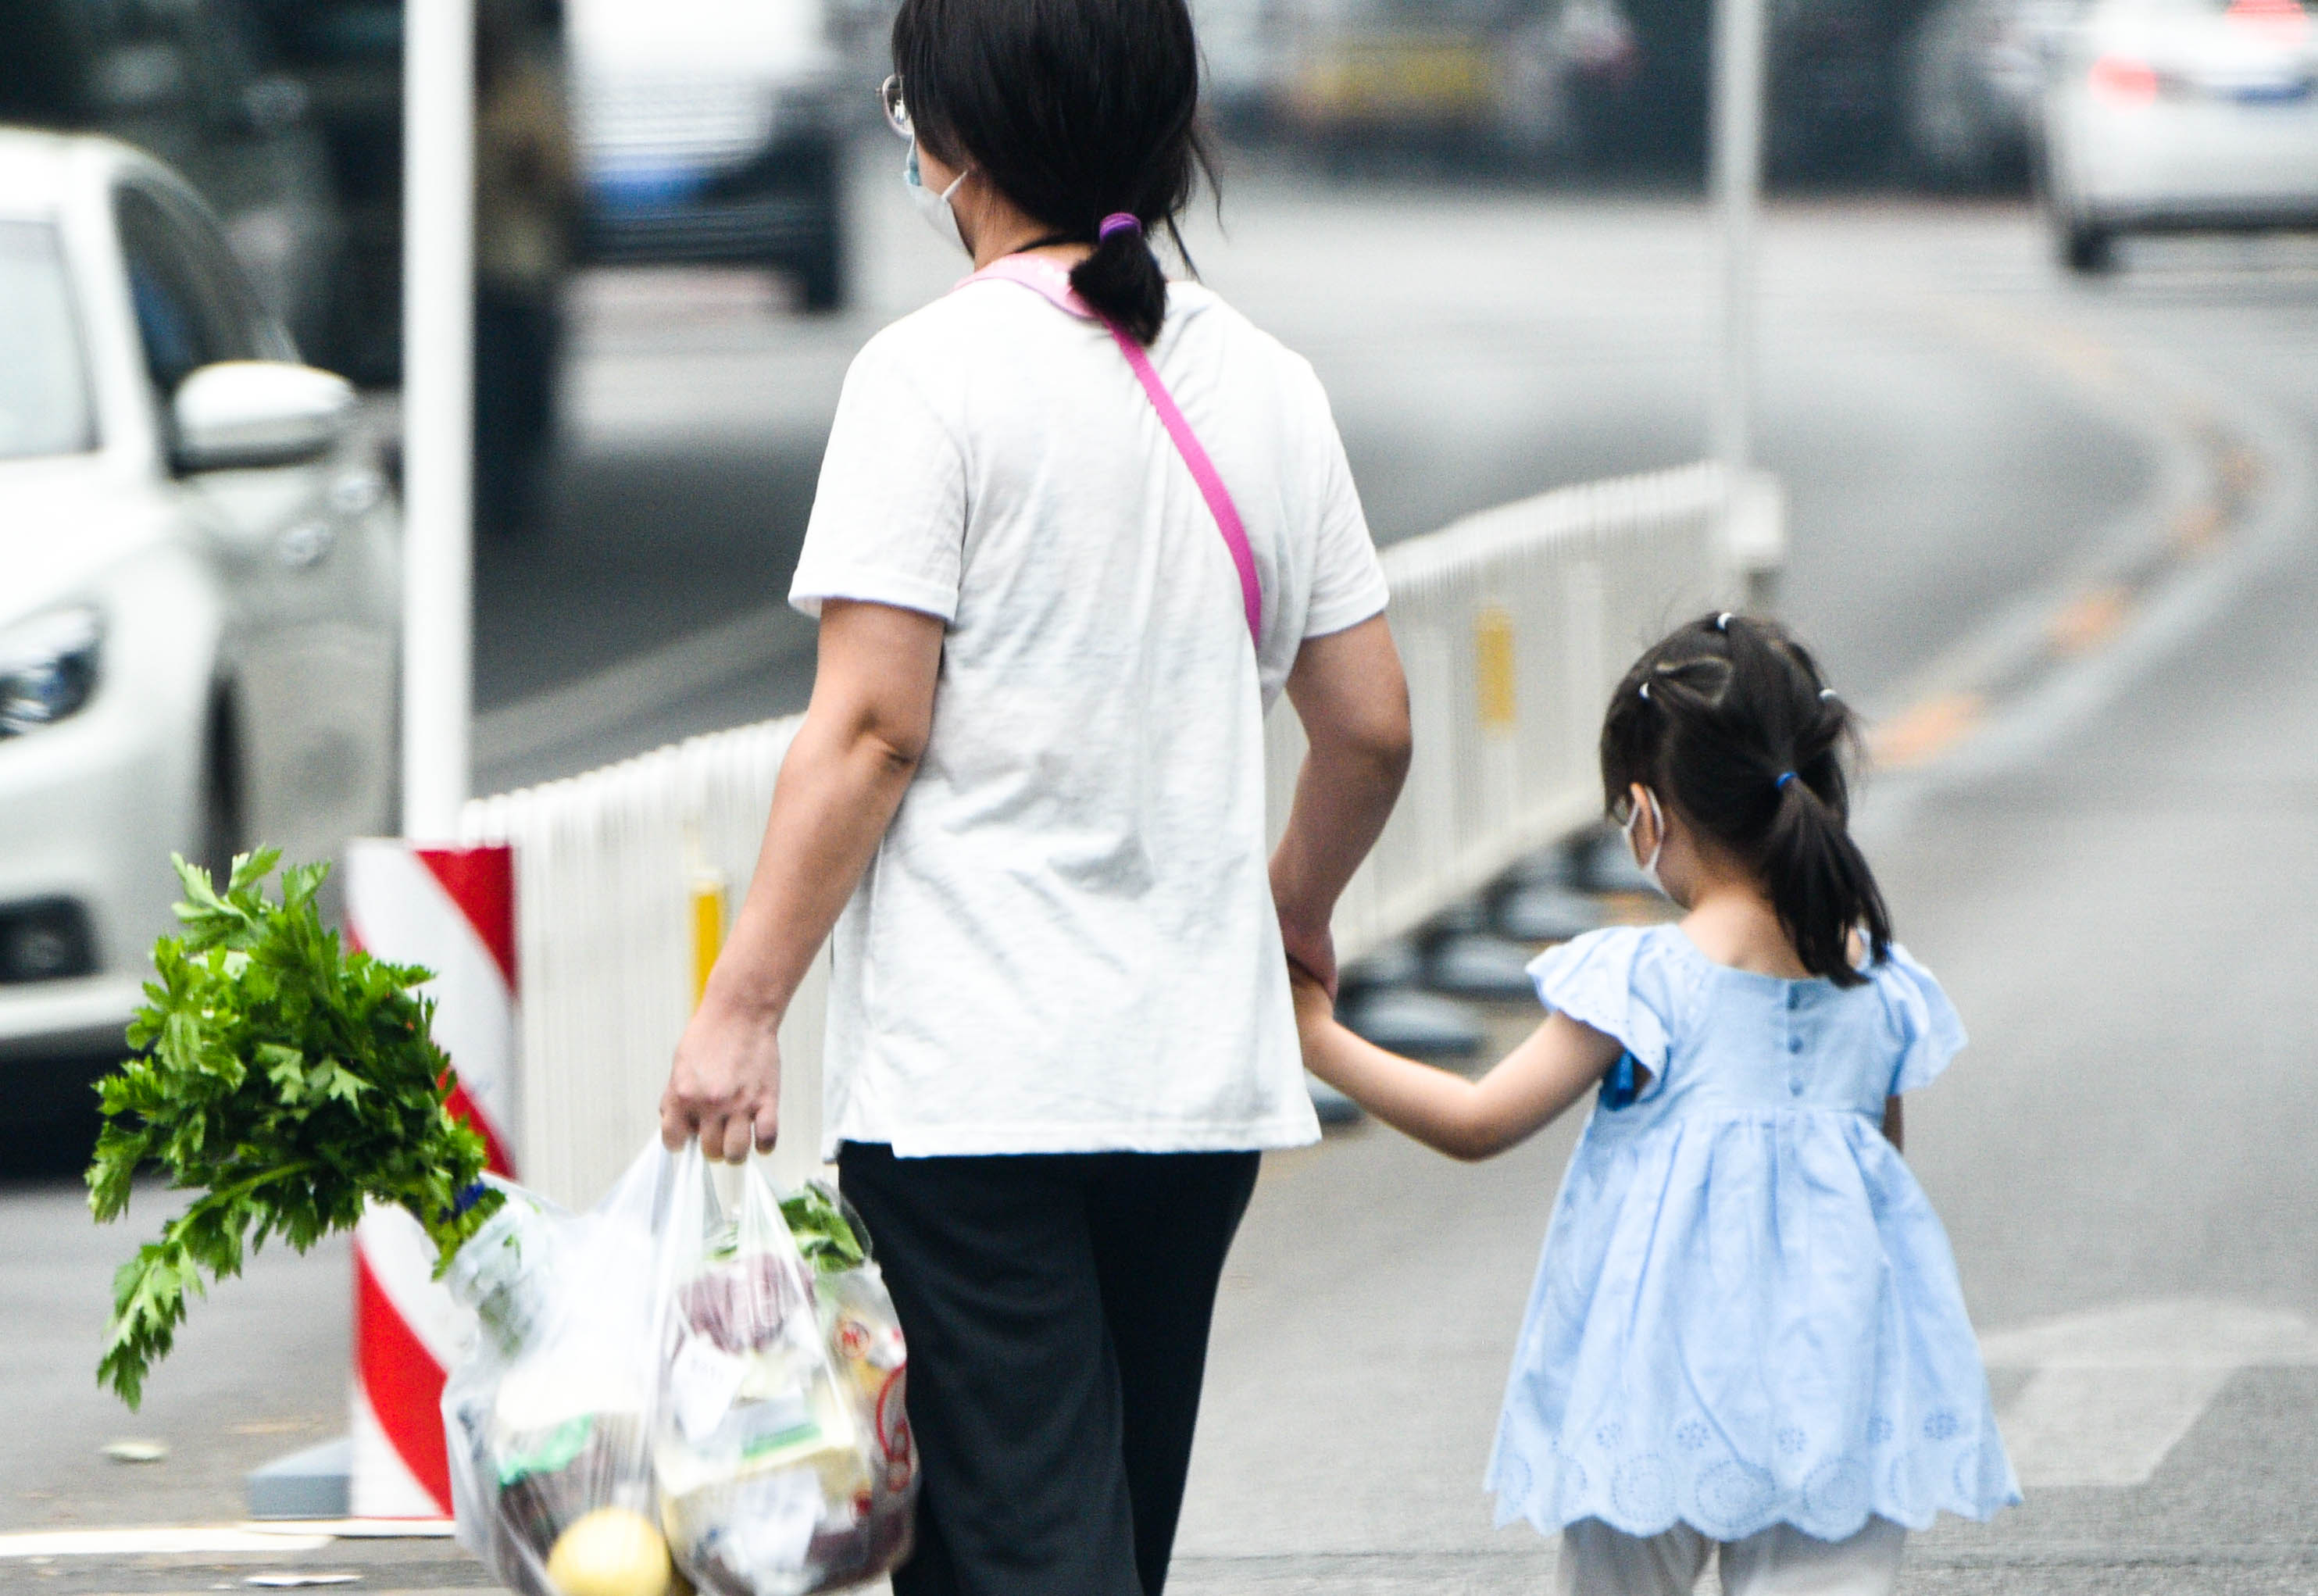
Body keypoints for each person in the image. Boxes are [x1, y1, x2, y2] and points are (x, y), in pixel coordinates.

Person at [656, 0, 1413, 1591]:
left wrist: (741, 1005)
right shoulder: (1265, 384)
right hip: (1190, 1086)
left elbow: (868, 730)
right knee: (1064, 1530)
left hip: (977, 1089)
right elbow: (1369, 729)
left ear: (955, 141)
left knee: (1030, 1547)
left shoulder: (926, 380)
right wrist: (1287, 909)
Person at [1291, 613, 2020, 1596]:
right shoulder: (1879, 988)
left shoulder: (1644, 980)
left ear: (1647, 813)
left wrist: (1317, 1037)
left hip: (1654, 1397)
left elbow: (1477, 1123)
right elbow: (1884, 1176)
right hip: (1836, 1394)